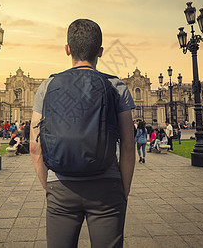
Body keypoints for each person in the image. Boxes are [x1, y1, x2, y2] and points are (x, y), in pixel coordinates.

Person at [30, 19, 135, 248]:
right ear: (100, 51)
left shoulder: (48, 86)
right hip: (107, 187)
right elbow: (128, 144)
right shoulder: (116, 86)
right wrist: (123, 190)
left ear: (67, 49)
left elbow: (34, 147)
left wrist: (50, 188)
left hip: (61, 186)